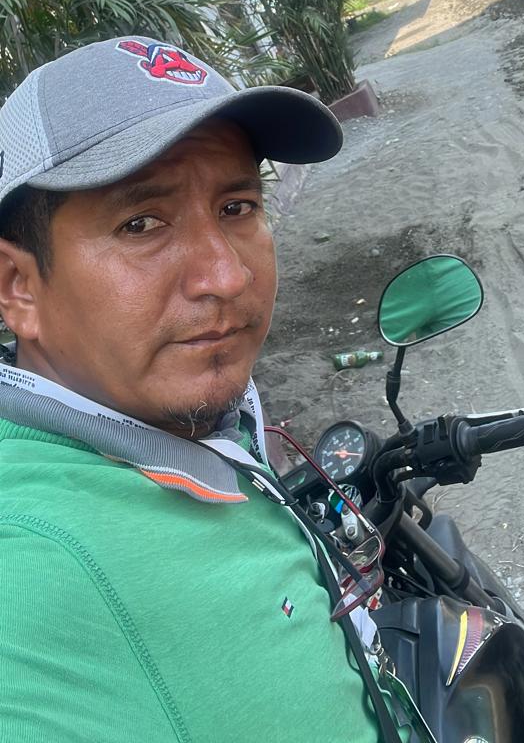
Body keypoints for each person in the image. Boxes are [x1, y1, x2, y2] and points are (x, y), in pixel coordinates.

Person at [0, 36, 405, 742]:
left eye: (237, 206)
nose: (227, 276)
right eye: (141, 224)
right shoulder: (36, 564)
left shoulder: (178, 416)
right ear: (18, 289)